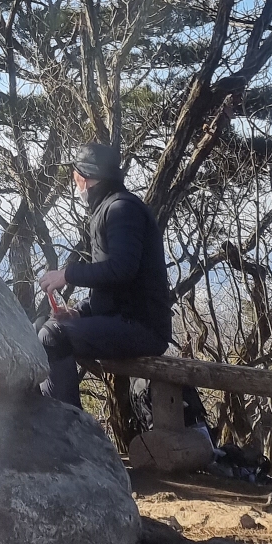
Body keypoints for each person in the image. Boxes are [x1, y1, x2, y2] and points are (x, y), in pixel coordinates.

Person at [37, 143, 172, 407]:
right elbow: (115, 289)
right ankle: (39, 418)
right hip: (126, 321)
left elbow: (122, 269)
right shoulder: (111, 207)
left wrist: (67, 274)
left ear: (83, 178)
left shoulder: (122, 209)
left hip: (143, 329)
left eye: (75, 178)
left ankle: (67, 426)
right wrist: (81, 312)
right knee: (40, 325)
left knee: (53, 335)